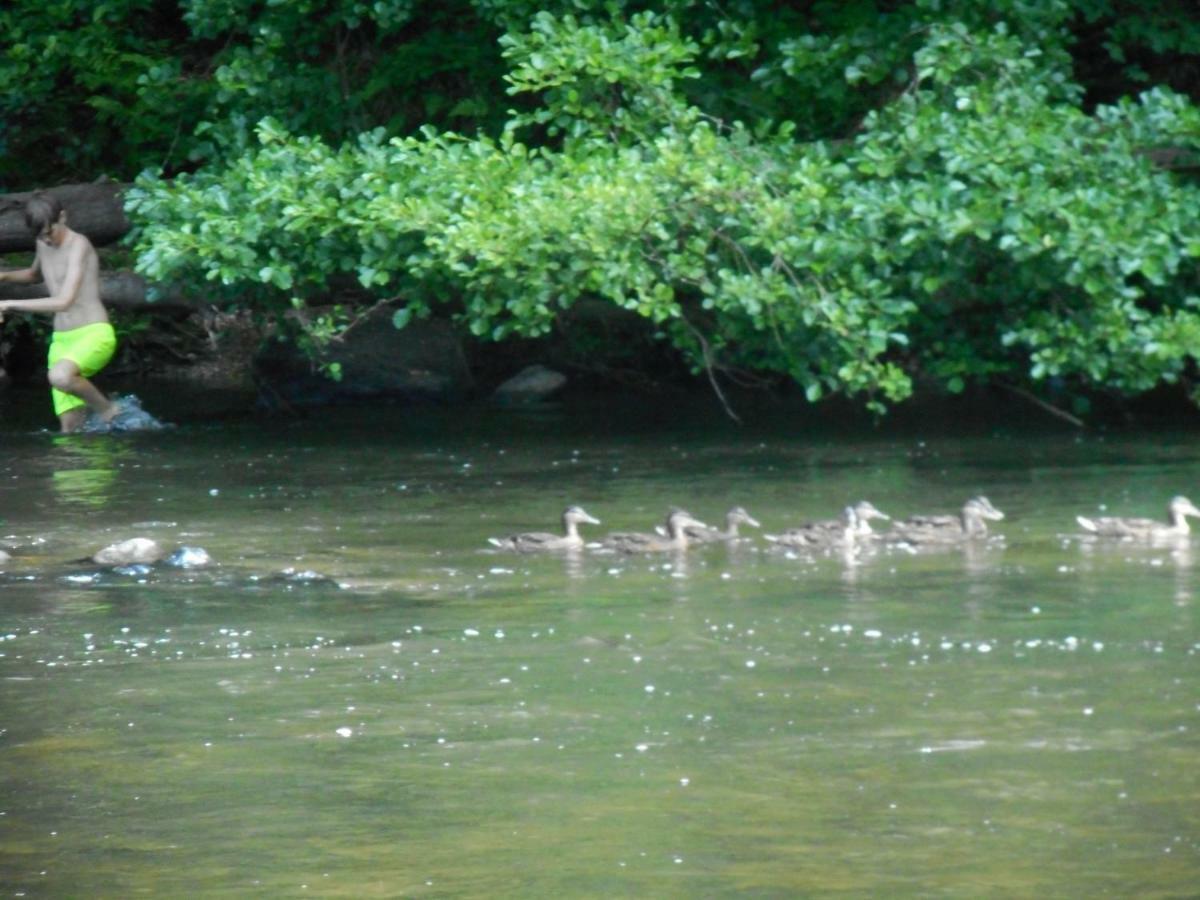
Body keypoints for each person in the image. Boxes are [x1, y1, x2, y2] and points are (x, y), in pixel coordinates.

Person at [0, 193, 120, 432]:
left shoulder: (79, 245)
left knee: (61, 377)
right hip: (61, 341)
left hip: (93, 333)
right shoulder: (42, 242)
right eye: (40, 236)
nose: (46, 240)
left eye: (49, 232)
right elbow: (34, 275)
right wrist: (3, 275)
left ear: (62, 217)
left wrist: (8, 304)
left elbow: (64, 301)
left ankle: (110, 411)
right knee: (70, 429)